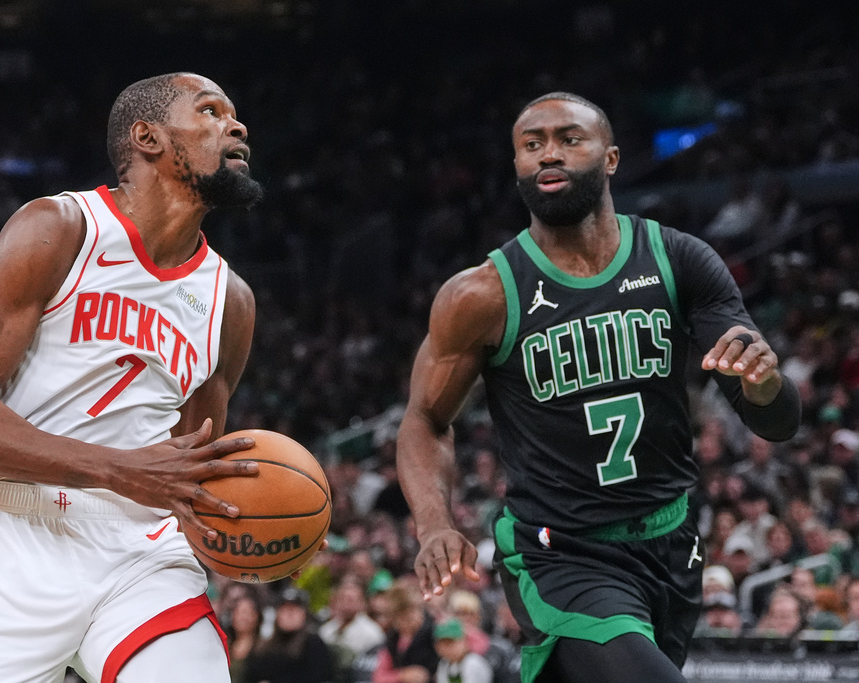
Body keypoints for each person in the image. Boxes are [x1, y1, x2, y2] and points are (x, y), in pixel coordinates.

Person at [396, 92, 802, 683]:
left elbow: (777, 421)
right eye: (532, 145)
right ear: (517, 165)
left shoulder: (678, 259)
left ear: (611, 158)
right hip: (561, 553)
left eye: (569, 139)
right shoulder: (481, 294)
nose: (549, 154)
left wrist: (763, 384)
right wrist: (434, 523)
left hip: (672, 541)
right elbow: (424, 419)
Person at [0, 72, 270, 683]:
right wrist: (118, 469)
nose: (236, 126)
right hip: (12, 528)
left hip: (141, 550)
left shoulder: (231, 301)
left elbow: (188, 470)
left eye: (233, 114)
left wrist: (261, 526)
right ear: (148, 137)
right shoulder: (61, 228)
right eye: (209, 111)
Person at [242, 588, 335, 683]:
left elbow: (320, 677)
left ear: (304, 614)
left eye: (294, 610)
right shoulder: (265, 647)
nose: (289, 615)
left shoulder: (314, 644)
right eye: (285, 609)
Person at [431, 618, 492, 683]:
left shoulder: (473, 663)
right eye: (442, 644)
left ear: (464, 642)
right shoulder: (444, 664)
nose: (446, 648)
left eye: (450, 643)